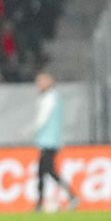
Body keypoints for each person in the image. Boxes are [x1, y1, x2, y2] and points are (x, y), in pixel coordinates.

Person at [33, 72, 78, 211]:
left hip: (50, 141)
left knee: (48, 171)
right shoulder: (49, 97)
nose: (38, 84)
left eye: (41, 81)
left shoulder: (50, 97)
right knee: (42, 172)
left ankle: (71, 195)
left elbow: (42, 119)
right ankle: (39, 203)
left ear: (49, 82)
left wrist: (29, 131)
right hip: (46, 140)